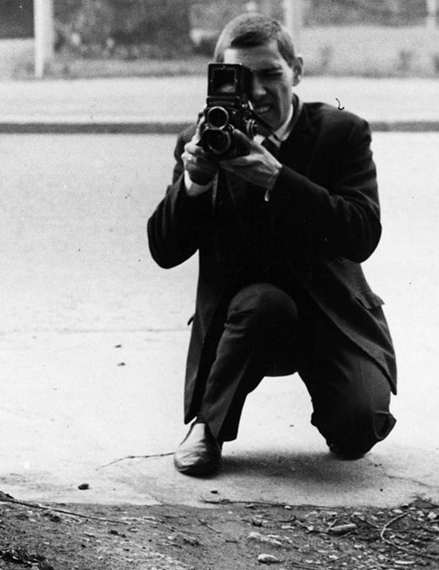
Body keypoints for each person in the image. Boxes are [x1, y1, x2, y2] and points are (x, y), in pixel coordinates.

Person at [146, 13, 396, 476]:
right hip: (250, 322)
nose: (257, 91)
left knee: (358, 430)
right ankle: (207, 427)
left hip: (332, 317)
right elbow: (164, 250)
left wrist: (278, 179)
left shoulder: (341, 133)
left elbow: (362, 234)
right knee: (264, 304)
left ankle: (340, 409)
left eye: (270, 74)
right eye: (241, 78)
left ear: (297, 71)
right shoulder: (205, 140)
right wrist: (195, 183)